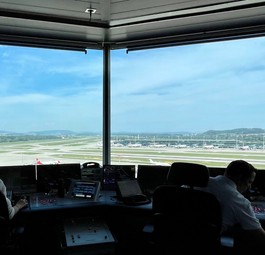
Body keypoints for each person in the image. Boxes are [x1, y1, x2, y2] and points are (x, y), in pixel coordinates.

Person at [200, 160, 265, 252]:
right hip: (204, 244)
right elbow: (259, 236)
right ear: (239, 178)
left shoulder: (192, 185)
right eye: (249, 182)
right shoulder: (237, 199)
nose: (249, 187)